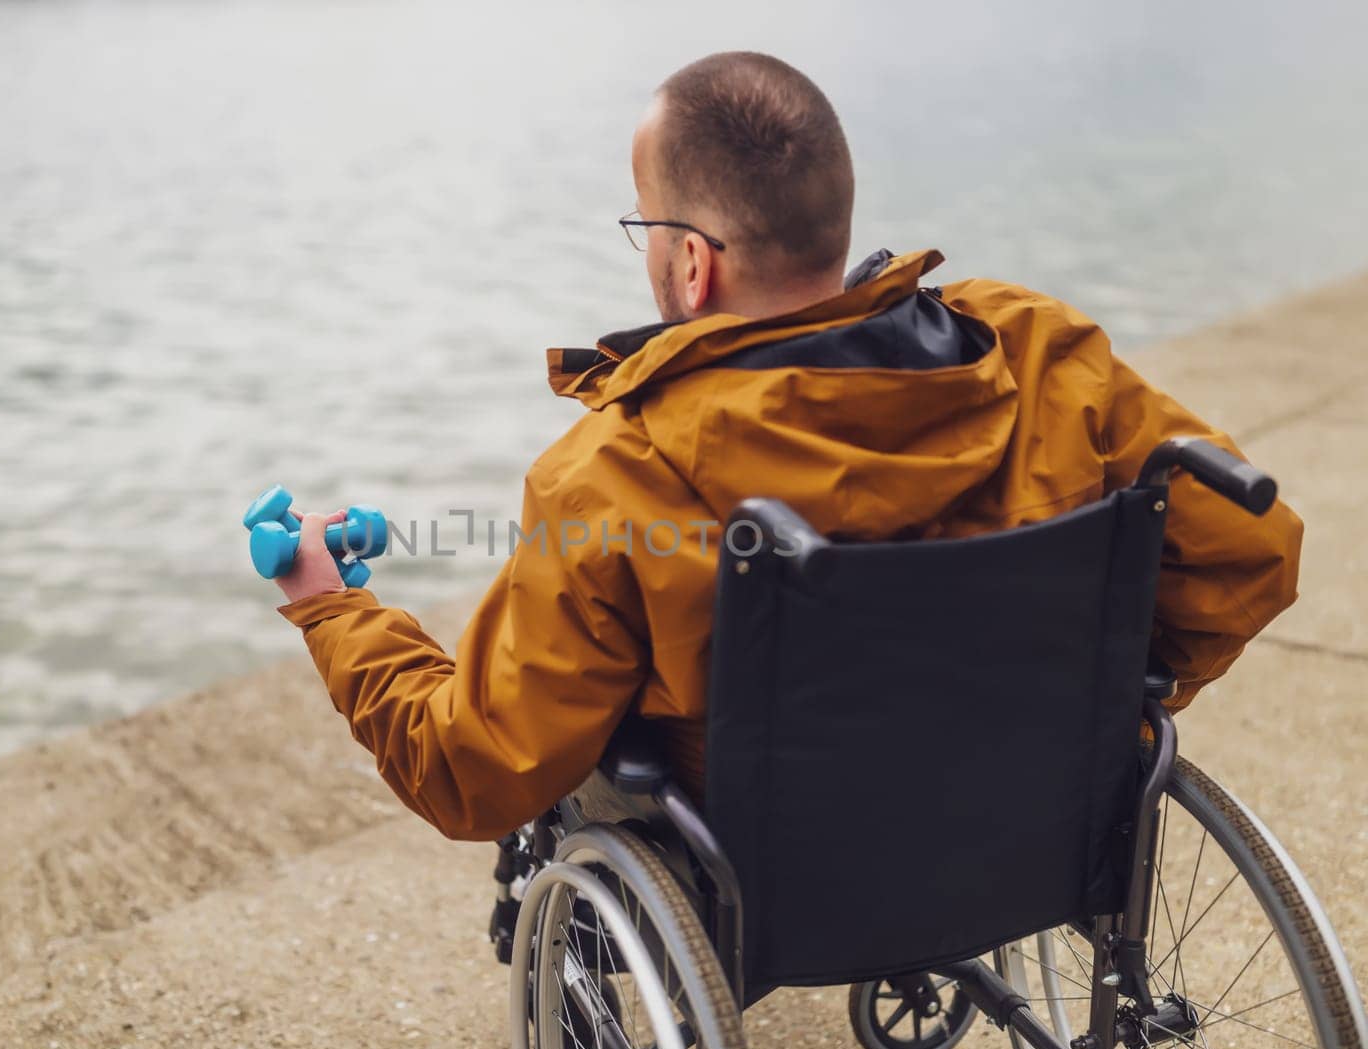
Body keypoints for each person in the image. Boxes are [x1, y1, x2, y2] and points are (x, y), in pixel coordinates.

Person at [273, 51, 1302, 843]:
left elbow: (477, 768)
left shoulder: (615, 472)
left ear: (691, 264)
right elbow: (1251, 550)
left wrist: (333, 607)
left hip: (771, 856)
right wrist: (1088, 704)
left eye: (646, 228)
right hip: (1026, 808)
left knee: (572, 756)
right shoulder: (1035, 349)